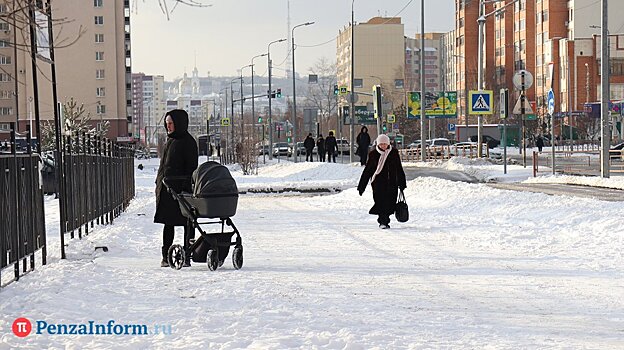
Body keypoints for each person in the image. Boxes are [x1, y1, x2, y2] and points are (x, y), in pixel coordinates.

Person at [154, 109, 199, 267]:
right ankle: (166, 256)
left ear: (179, 123)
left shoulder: (188, 142)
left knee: (188, 222)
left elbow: (192, 168)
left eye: (171, 123)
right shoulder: (170, 141)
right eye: (166, 124)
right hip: (167, 191)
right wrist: (158, 182)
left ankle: (188, 254)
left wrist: (184, 185)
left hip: (182, 191)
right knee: (168, 223)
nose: (168, 126)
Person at [357, 134, 407, 229]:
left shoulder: (394, 153)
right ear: (378, 144)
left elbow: (399, 169)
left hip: (392, 183)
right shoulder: (373, 154)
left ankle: (386, 219)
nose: (383, 146)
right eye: (381, 144)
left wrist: (402, 183)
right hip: (378, 184)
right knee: (380, 202)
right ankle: (382, 221)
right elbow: (367, 171)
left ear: (388, 144)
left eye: (385, 144)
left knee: (390, 203)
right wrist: (361, 186)